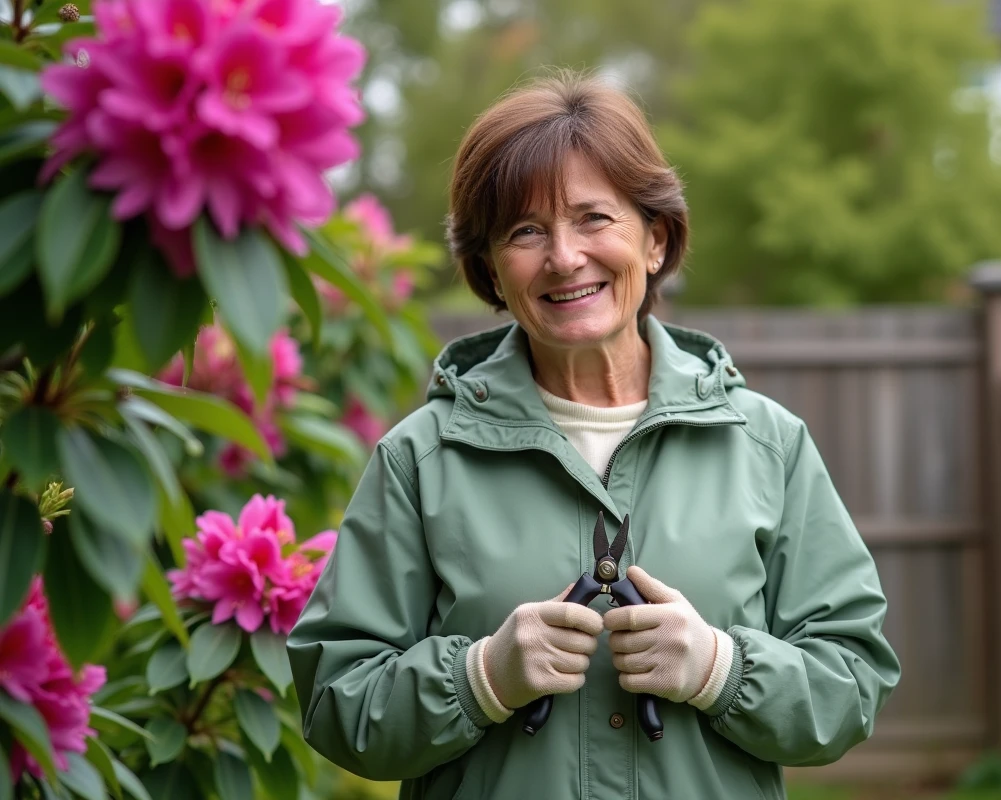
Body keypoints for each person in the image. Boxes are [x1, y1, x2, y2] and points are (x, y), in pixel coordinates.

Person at [286, 71, 900, 800]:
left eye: (593, 218)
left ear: (655, 238)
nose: (564, 256)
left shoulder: (767, 446)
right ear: (489, 269)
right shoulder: (420, 461)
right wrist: (481, 676)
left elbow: (854, 681)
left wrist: (719, 668)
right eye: (525, 231)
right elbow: (333, 703)